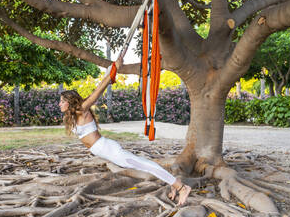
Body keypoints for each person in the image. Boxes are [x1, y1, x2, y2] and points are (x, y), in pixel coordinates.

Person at [58, 58, 191, 206]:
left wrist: (114, 70)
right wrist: (110, 71)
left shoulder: (82, 109)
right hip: (106, 151)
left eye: (62, 101)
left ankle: (182, 187)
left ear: (70, 101)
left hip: (109, 149)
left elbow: (98, 90)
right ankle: (173, 184)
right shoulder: (75, 115)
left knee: (144, 165)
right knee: (143, 164)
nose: (60, 104)